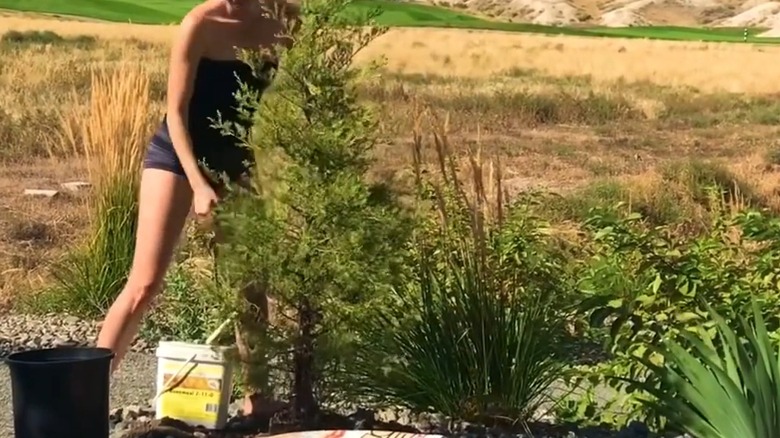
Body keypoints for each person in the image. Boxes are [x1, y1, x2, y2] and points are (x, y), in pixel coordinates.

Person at [96, 0, 298, 414]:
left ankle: (255, 399)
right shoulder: (199, 24)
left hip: (235, 159)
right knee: (145, 284)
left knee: (250, 286)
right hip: (176, 156)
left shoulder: (284, 20)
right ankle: (85, 392)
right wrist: (198, 184)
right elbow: (176, 111)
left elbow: (294, 93)